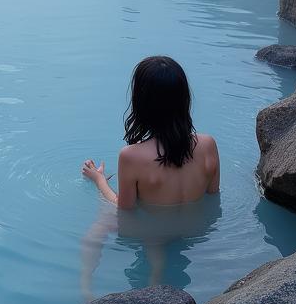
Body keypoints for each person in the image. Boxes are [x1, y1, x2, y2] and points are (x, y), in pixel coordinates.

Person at [81, 56, 219, 208]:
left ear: (141, 104)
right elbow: (213, 198)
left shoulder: (131, 156)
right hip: (201, 230)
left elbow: (124, 210)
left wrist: (99, 180)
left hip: (151, 232)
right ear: (185, 99)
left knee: (103, 219)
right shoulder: (209, 145)